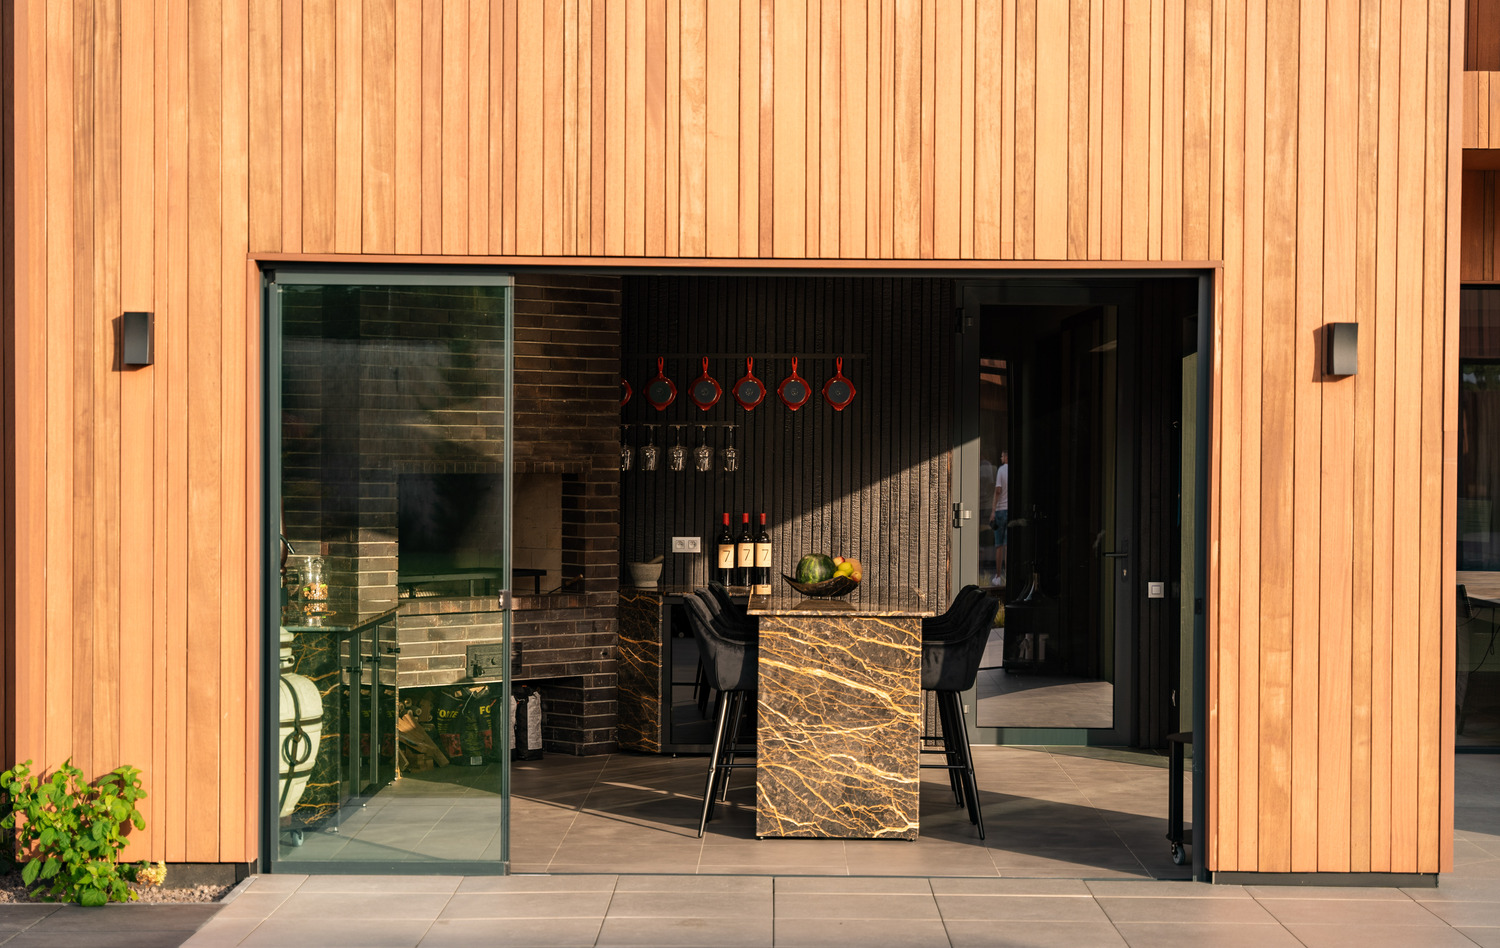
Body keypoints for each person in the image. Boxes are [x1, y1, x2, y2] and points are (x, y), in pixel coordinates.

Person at [991, 450, 1009, 587]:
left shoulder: (1001, 470)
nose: (1001, 457)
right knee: (1008, 545)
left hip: (1000, 510)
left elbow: (998, 490)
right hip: (1010, 511)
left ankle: (998, 576)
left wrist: (993, 511)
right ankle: (1008, 575)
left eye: (1002, 456)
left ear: (1006, 457)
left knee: (999, 546)